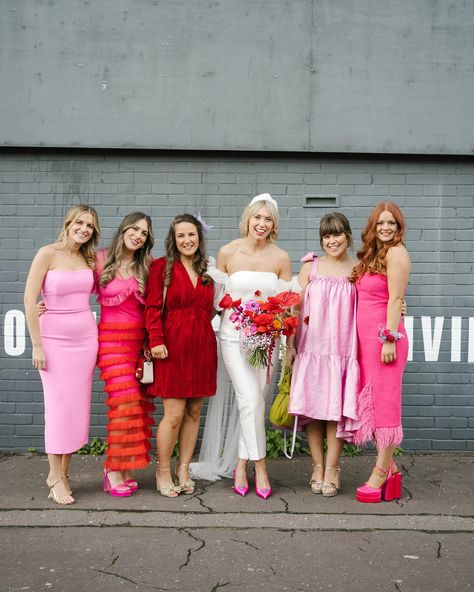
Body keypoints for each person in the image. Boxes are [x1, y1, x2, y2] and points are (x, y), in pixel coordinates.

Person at [192, 194, 293, 500]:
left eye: (268, 220)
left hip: (266, 340)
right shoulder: (227, 253)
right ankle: (260, 467)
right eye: (257, 217)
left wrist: (284, 337)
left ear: (273, 224)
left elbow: (287, 307)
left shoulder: (281, 258)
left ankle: (240, 464)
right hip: (233, 337)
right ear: (248, 218)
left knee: (256, 403)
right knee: (249, 399)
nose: (261, 224)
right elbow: (215, 302)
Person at [24, 204, 100, 505]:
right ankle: (54, 475)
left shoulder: (88, 258)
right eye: (79, 223)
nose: (84, 229)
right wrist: (37, 344)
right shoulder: (47, 253)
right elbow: (30, 298)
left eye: (90, 226)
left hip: (85, 339)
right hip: (53, 340)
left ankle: (64, 474)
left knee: (76, 410)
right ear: (68, 224)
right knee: (57, 409)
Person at [286, 212, 360, 498]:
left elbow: (373, 303)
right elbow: (293, 311)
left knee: (335, 414)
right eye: (327, 236)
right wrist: (290, 347)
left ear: (347, 236)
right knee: (313, 413)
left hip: (342, 351)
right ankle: (316, 466)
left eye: (337, 234)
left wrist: (399, 306)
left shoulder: (358, 269)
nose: (332, 241)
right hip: (311, 349)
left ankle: (332, 469)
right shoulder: (309, 268)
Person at [145, 214, 217, 498]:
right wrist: (156, 340)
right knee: (173, 414)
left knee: (194, 412)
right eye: (181, 236)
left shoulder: (207, 270)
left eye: (191, 235)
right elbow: (151, 309)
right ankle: (163, 470)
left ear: (199, 237)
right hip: (171, 346)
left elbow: (211, 310)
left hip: (202, 346)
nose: (187, 240)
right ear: (173, 240)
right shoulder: (162, 267)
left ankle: (183, 468)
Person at [350, 201, 411, 503]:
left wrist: (389, 337)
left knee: (385, 406)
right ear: (373, 226)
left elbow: (396, 297)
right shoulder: (373, 255)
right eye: (381, 223)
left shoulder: (398, 253)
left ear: (399, 228)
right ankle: (392, 469)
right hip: (367, 344)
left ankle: (380, 471)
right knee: (372, 405)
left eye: (392, 223)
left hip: (385, 341)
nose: (386, 228)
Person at [96, 212, 155, 497]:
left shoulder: (148, 267)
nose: (138, 235)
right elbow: (73, 287)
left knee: (138, 408)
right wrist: (47, 304)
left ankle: (125, 467)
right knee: (124, 404)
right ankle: (111, 469)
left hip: (139, 347)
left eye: (144, 233)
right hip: (110, 345)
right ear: (123, 230)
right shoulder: (99, 260)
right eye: (134, 229)